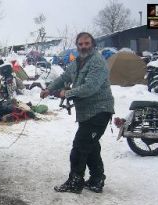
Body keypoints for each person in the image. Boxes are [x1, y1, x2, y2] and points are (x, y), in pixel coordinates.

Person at [41, 32, 115, 193]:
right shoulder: (78, 61)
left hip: (100, 111)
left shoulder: (97, 62)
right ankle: (97, 179)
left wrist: (66, 93)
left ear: (93, 44)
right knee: (91, 146)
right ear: (77, 46)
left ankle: (75, 181)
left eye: (87, 43)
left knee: (80, 146)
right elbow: (64, 76)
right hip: (87, 113)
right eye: (80, 44)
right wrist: (49, 89)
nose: (83, 46)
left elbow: (90, 87)